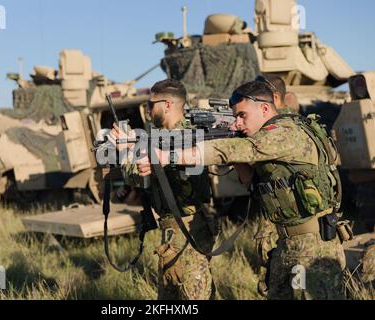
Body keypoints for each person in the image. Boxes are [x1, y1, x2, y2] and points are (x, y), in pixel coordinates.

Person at [162, 80, 347, 300]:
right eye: (235, 117)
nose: (237, 123)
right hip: (287, 244)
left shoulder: (286, 132)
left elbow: (242, 149)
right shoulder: (267, 139)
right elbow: (252, 182)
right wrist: (235, 153)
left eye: (242, 116)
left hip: (314, 246)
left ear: (265, 108)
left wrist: (168, 156)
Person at [111, 79, 217, 300]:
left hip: (186, 229)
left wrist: (125, 151)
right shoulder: (169, 137)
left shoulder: (184, 137)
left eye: (150, 105)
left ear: (167, 104)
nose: (147, 110)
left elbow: (136, 177)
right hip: (177, 229)